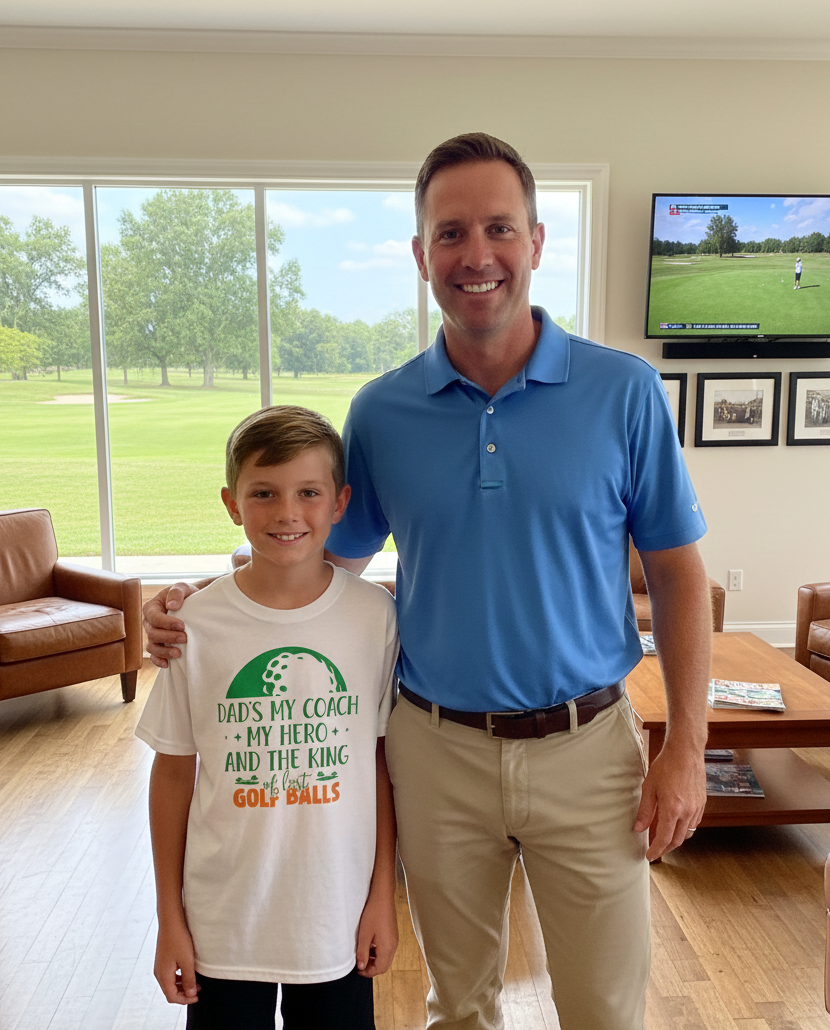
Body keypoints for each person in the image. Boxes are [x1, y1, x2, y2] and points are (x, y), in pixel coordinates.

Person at [145, 133, 712, 1030]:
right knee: (459, 1006)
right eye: (450, 233)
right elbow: (318, 564)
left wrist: (687, 745)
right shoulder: (381, 411)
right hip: (434, 752)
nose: (474, 255)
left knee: (606, 1008)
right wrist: (199, 605)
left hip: (589, 748)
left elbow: (678, 574)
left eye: (497, 228)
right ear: (419, 255)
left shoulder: (624, 392)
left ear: (534, 240)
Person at [136, 405, 399, 1030]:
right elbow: (173, 775)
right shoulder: (191, 626)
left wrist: (381, 897)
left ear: (340, 503)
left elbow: (382, 765)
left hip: (335, 920)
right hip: (222, 925)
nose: (287, 513)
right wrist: (169, 919)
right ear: (232, 503)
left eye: (308, 493)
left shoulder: (374, 617)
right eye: (264, 494)